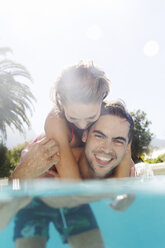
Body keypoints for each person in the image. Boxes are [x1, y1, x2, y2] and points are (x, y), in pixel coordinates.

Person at [10, 100, 135, 248]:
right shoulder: (53, 158)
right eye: (99, 136)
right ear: (85, 135)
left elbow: (121, 195)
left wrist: (126, 195)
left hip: (75, 207)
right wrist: (23, 172)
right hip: (36, 204)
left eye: (118, 141)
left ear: (127, 147)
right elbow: (14, 187)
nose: (107, 149)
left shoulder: (122, 165)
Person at [44, 60, 110, 179]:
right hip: (48, 168)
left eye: (91, 117)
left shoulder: (109, 114)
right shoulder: (55, 121)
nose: (82, 125)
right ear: (62, 104)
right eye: (73, 118)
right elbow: (73, 184)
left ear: (102, 101)